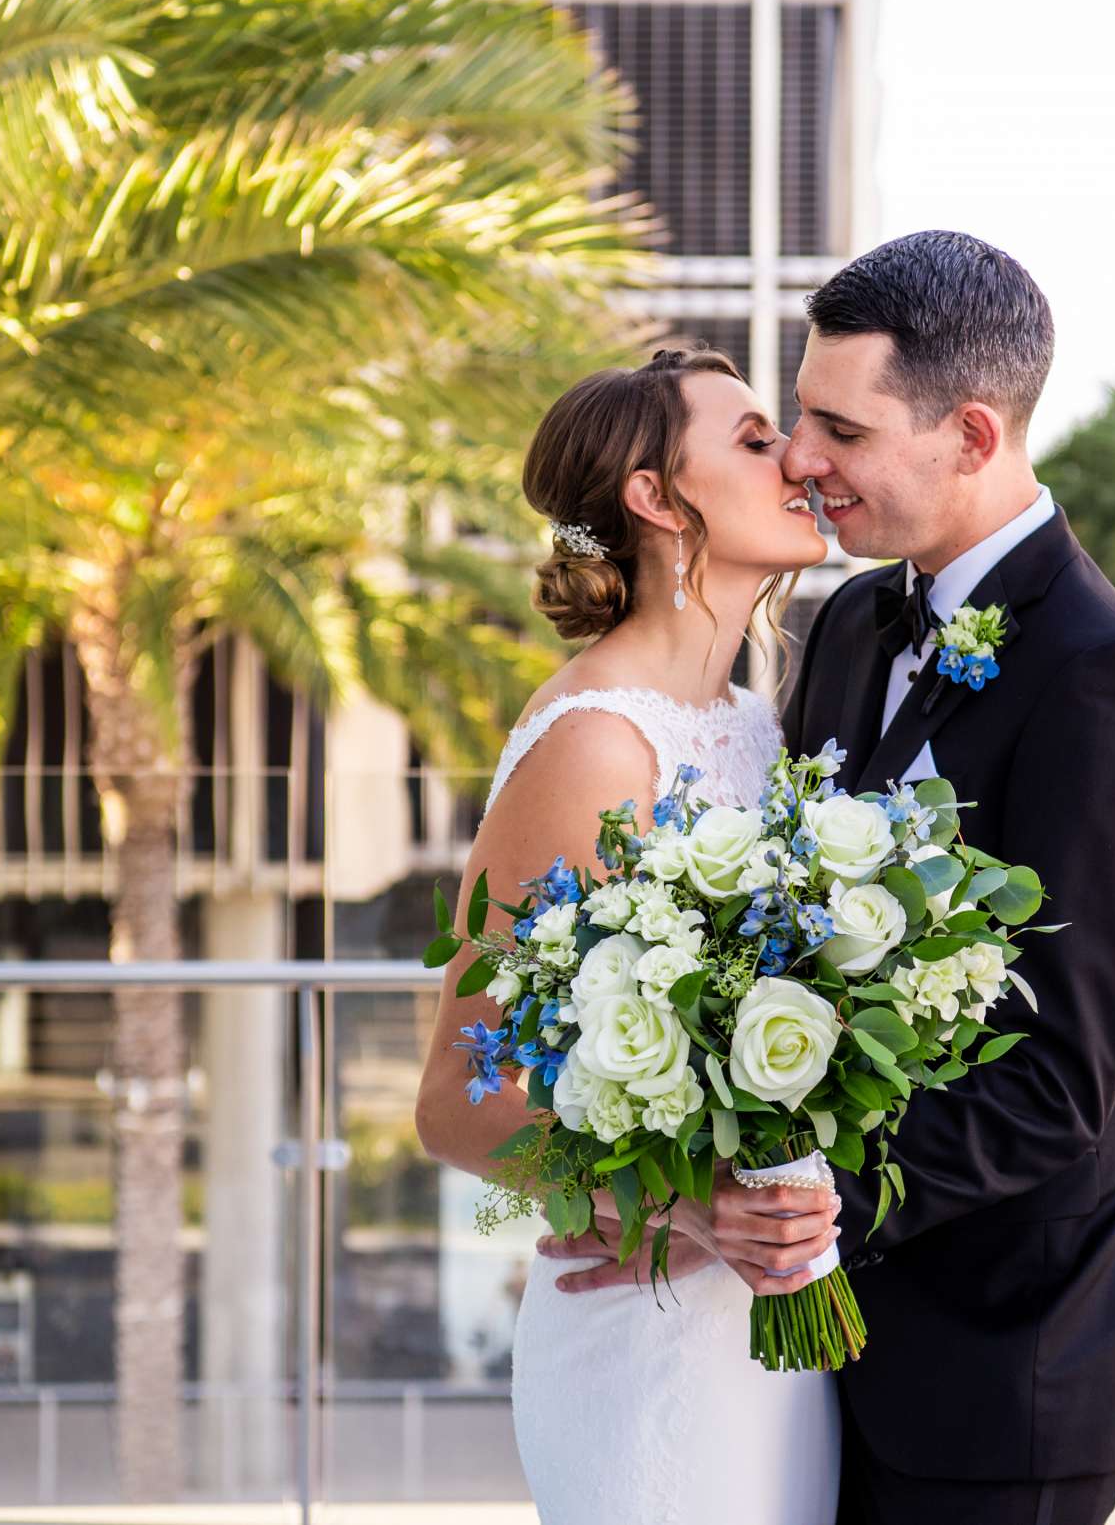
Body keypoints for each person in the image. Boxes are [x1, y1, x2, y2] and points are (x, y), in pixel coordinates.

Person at [678, 231, 1115, 1525]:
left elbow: (1059, 1082)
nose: (801, 457)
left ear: (972, 436)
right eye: (800, 415)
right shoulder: (849, 623)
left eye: (838, 429)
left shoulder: (1106, 681)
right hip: (837, 1352)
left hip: (1008, 1359)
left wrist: (812, 1199)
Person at [412, 347, 841, 1525]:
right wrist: (687, 1206)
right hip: (648, 1338)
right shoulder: (598, 744)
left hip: (768, 1326)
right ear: (657, 499)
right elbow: (456, 1097)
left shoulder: (754, 724)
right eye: (756, 441)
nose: (799, 461)